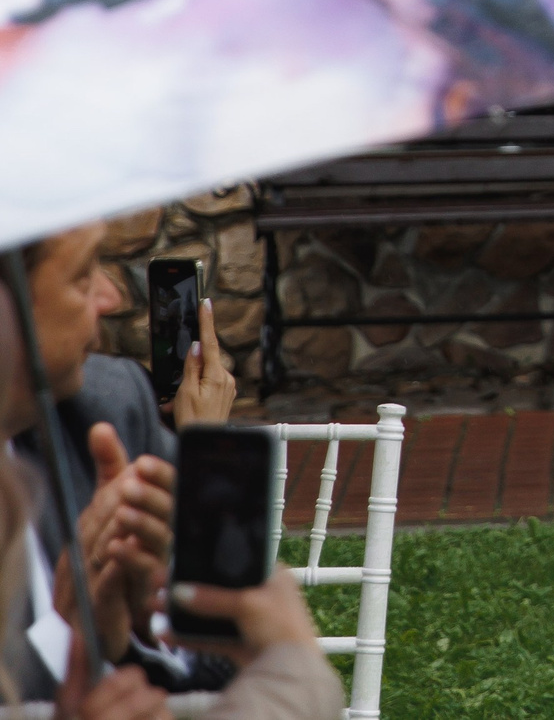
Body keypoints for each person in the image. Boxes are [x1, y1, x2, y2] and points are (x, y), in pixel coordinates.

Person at [1, 261, 342, 720]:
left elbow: (217, 661)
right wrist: (293, 670)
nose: (112, 296)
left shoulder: (110, 406)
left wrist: (128, 635)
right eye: (80, 274)